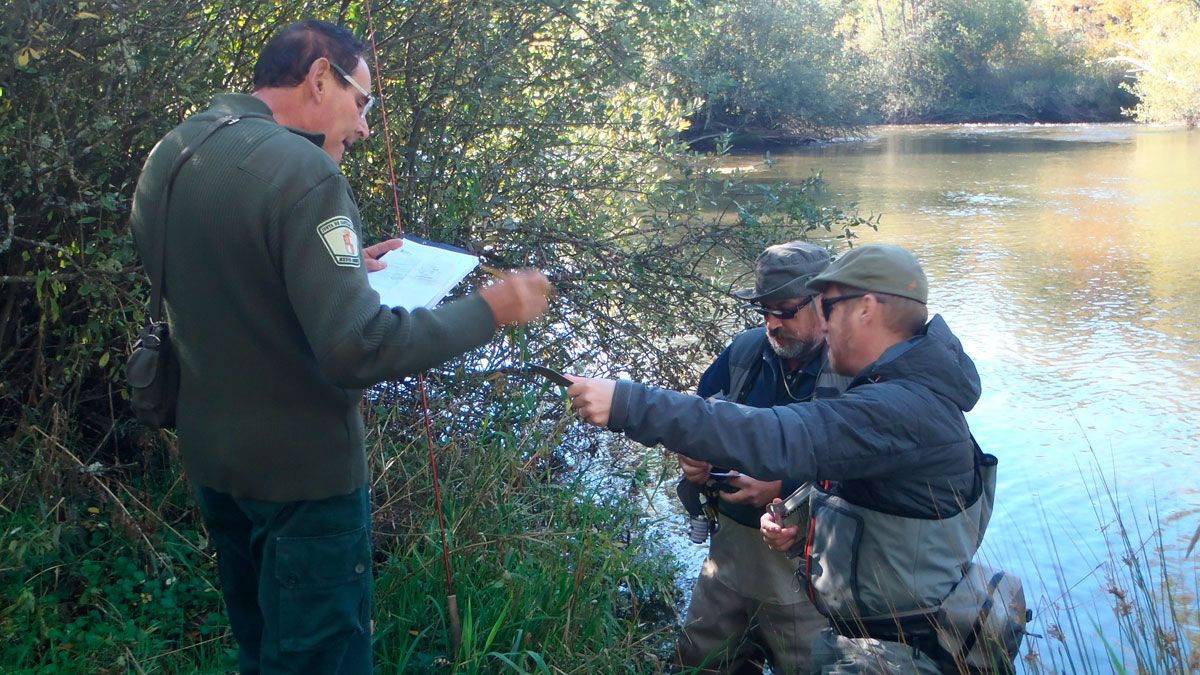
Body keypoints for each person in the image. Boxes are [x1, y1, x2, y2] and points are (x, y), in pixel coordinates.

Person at [130, 20, 550, 674]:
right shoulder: (304, 173)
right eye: (362, 104)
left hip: (217, 467)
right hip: (307, 487)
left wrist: (347, 273)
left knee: (259, 649)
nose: (362, 128)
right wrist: (491, 310)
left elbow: (236, 285)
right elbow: (358, 349)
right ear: (320, 77)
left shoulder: (175, 152)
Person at [568, 245, 991, 673]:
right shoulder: (899, 383)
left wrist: (628, 403)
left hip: (885, 642)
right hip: (845, 615)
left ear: (865, 309)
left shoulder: (900, 405)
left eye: (826, 306)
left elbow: (781, 436)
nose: (824, 323)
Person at [673, 242, 849, 674]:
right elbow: (699, 419)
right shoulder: (745, 353)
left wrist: (782, 491)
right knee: (698, 665)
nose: (773, 323)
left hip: (809, 575)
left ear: (823, 302)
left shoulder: (855, 369)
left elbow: (871, 474)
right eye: (765, 311)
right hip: (727, 565)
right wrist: (693, 458)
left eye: (786, 310)